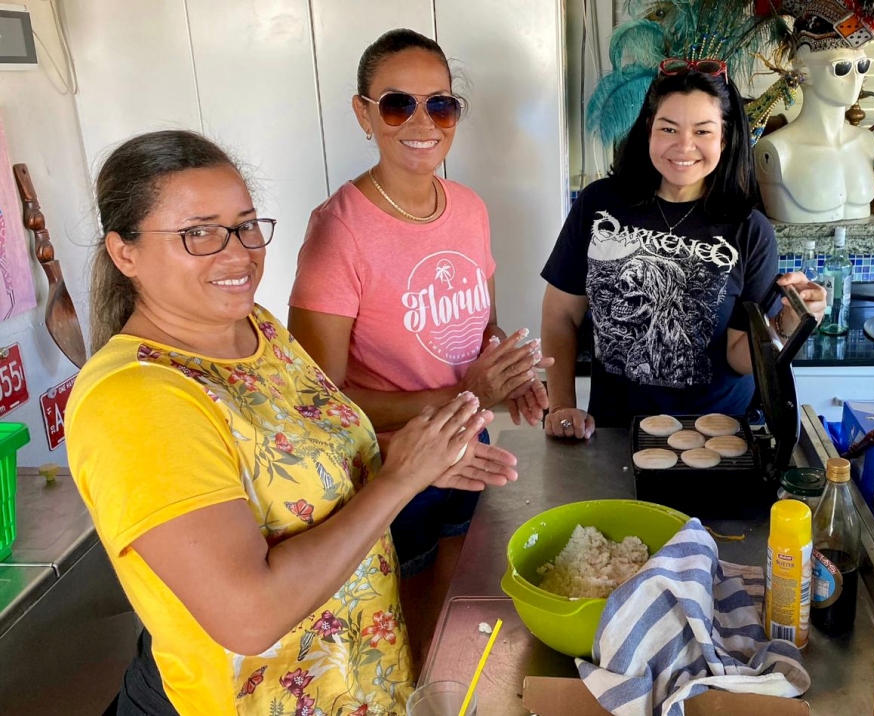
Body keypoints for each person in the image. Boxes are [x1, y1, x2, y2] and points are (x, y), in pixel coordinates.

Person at [65, 129, 518, 715]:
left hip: (354, 682)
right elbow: (248, 616)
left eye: (245, 225)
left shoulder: (258, 328)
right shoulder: (136, 399)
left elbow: (294, 463)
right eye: (197, 233)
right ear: (125, 252)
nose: (237, 252)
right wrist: (398, 480)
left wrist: (409, 455)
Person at [287, 29, 550, 664]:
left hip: (473, 448)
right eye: (398, 104)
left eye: (441, 104)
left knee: (461, 623)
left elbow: (480, 323)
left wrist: (508, 373)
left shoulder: (468, 209)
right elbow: (318, 406)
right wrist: (467, 391)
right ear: (364, 113)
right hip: (393, 471)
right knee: (403, 643)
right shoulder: (338, 232)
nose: (423, 122)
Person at [541, 65, 827, 439]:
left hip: (716, 440)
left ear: (724, 139)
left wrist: (788, 325)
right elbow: (561, 313)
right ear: (649, 131)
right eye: (668, 128)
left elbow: (740, 357)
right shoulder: (601, 204)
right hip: (614, 433)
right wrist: (561, 404)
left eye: (703, 131)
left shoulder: (750, 230)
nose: (684, 146)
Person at [754, 45, 874, 223]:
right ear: (805, 73)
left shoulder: (866, 141)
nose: (856, 77)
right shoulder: (778, 149)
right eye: (841, 68)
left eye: (862, 65)